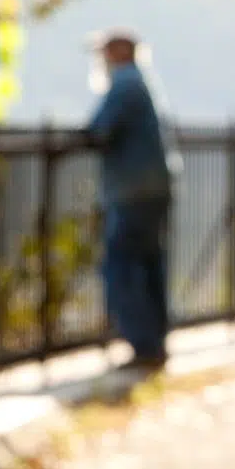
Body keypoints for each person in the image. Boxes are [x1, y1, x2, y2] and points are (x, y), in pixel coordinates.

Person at [86, 28, 173, 371]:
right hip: (149, 188)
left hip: (133, 192)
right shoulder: (139, 83)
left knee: (123, 267)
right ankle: (152, 343)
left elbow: (99, 130)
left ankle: (143, 344)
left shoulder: (124, 85)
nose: (101, 60)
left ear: (120, 51)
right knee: (149, 264)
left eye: (105, 52)